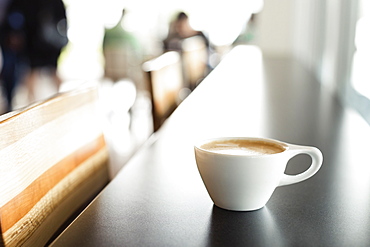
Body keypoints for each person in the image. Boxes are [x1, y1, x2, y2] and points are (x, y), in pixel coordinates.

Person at [2, 0, 68, 104]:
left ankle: (39, 103)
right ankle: (40, 103)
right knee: (40, 73)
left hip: (38, 43)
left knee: (35, 73)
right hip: (40, 43)